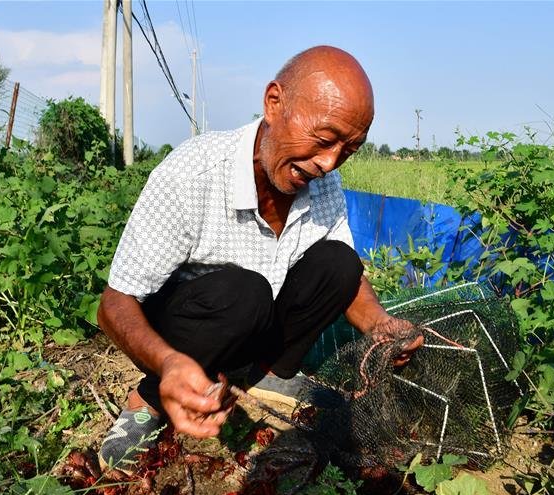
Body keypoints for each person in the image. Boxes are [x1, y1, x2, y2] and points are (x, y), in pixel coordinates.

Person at [97, 45, 422, 471]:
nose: (328, 162)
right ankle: (149, 400)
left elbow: (346, 275)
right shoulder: (192, 173)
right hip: (189, 326)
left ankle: (266, 373)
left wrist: (379, 322)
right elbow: (114, 304)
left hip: (256, 320)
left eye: (348, 150)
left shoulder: (323, 184)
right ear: (274, 103)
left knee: (339, 262)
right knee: (243, 291)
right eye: (324, 141)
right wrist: (169, 363)